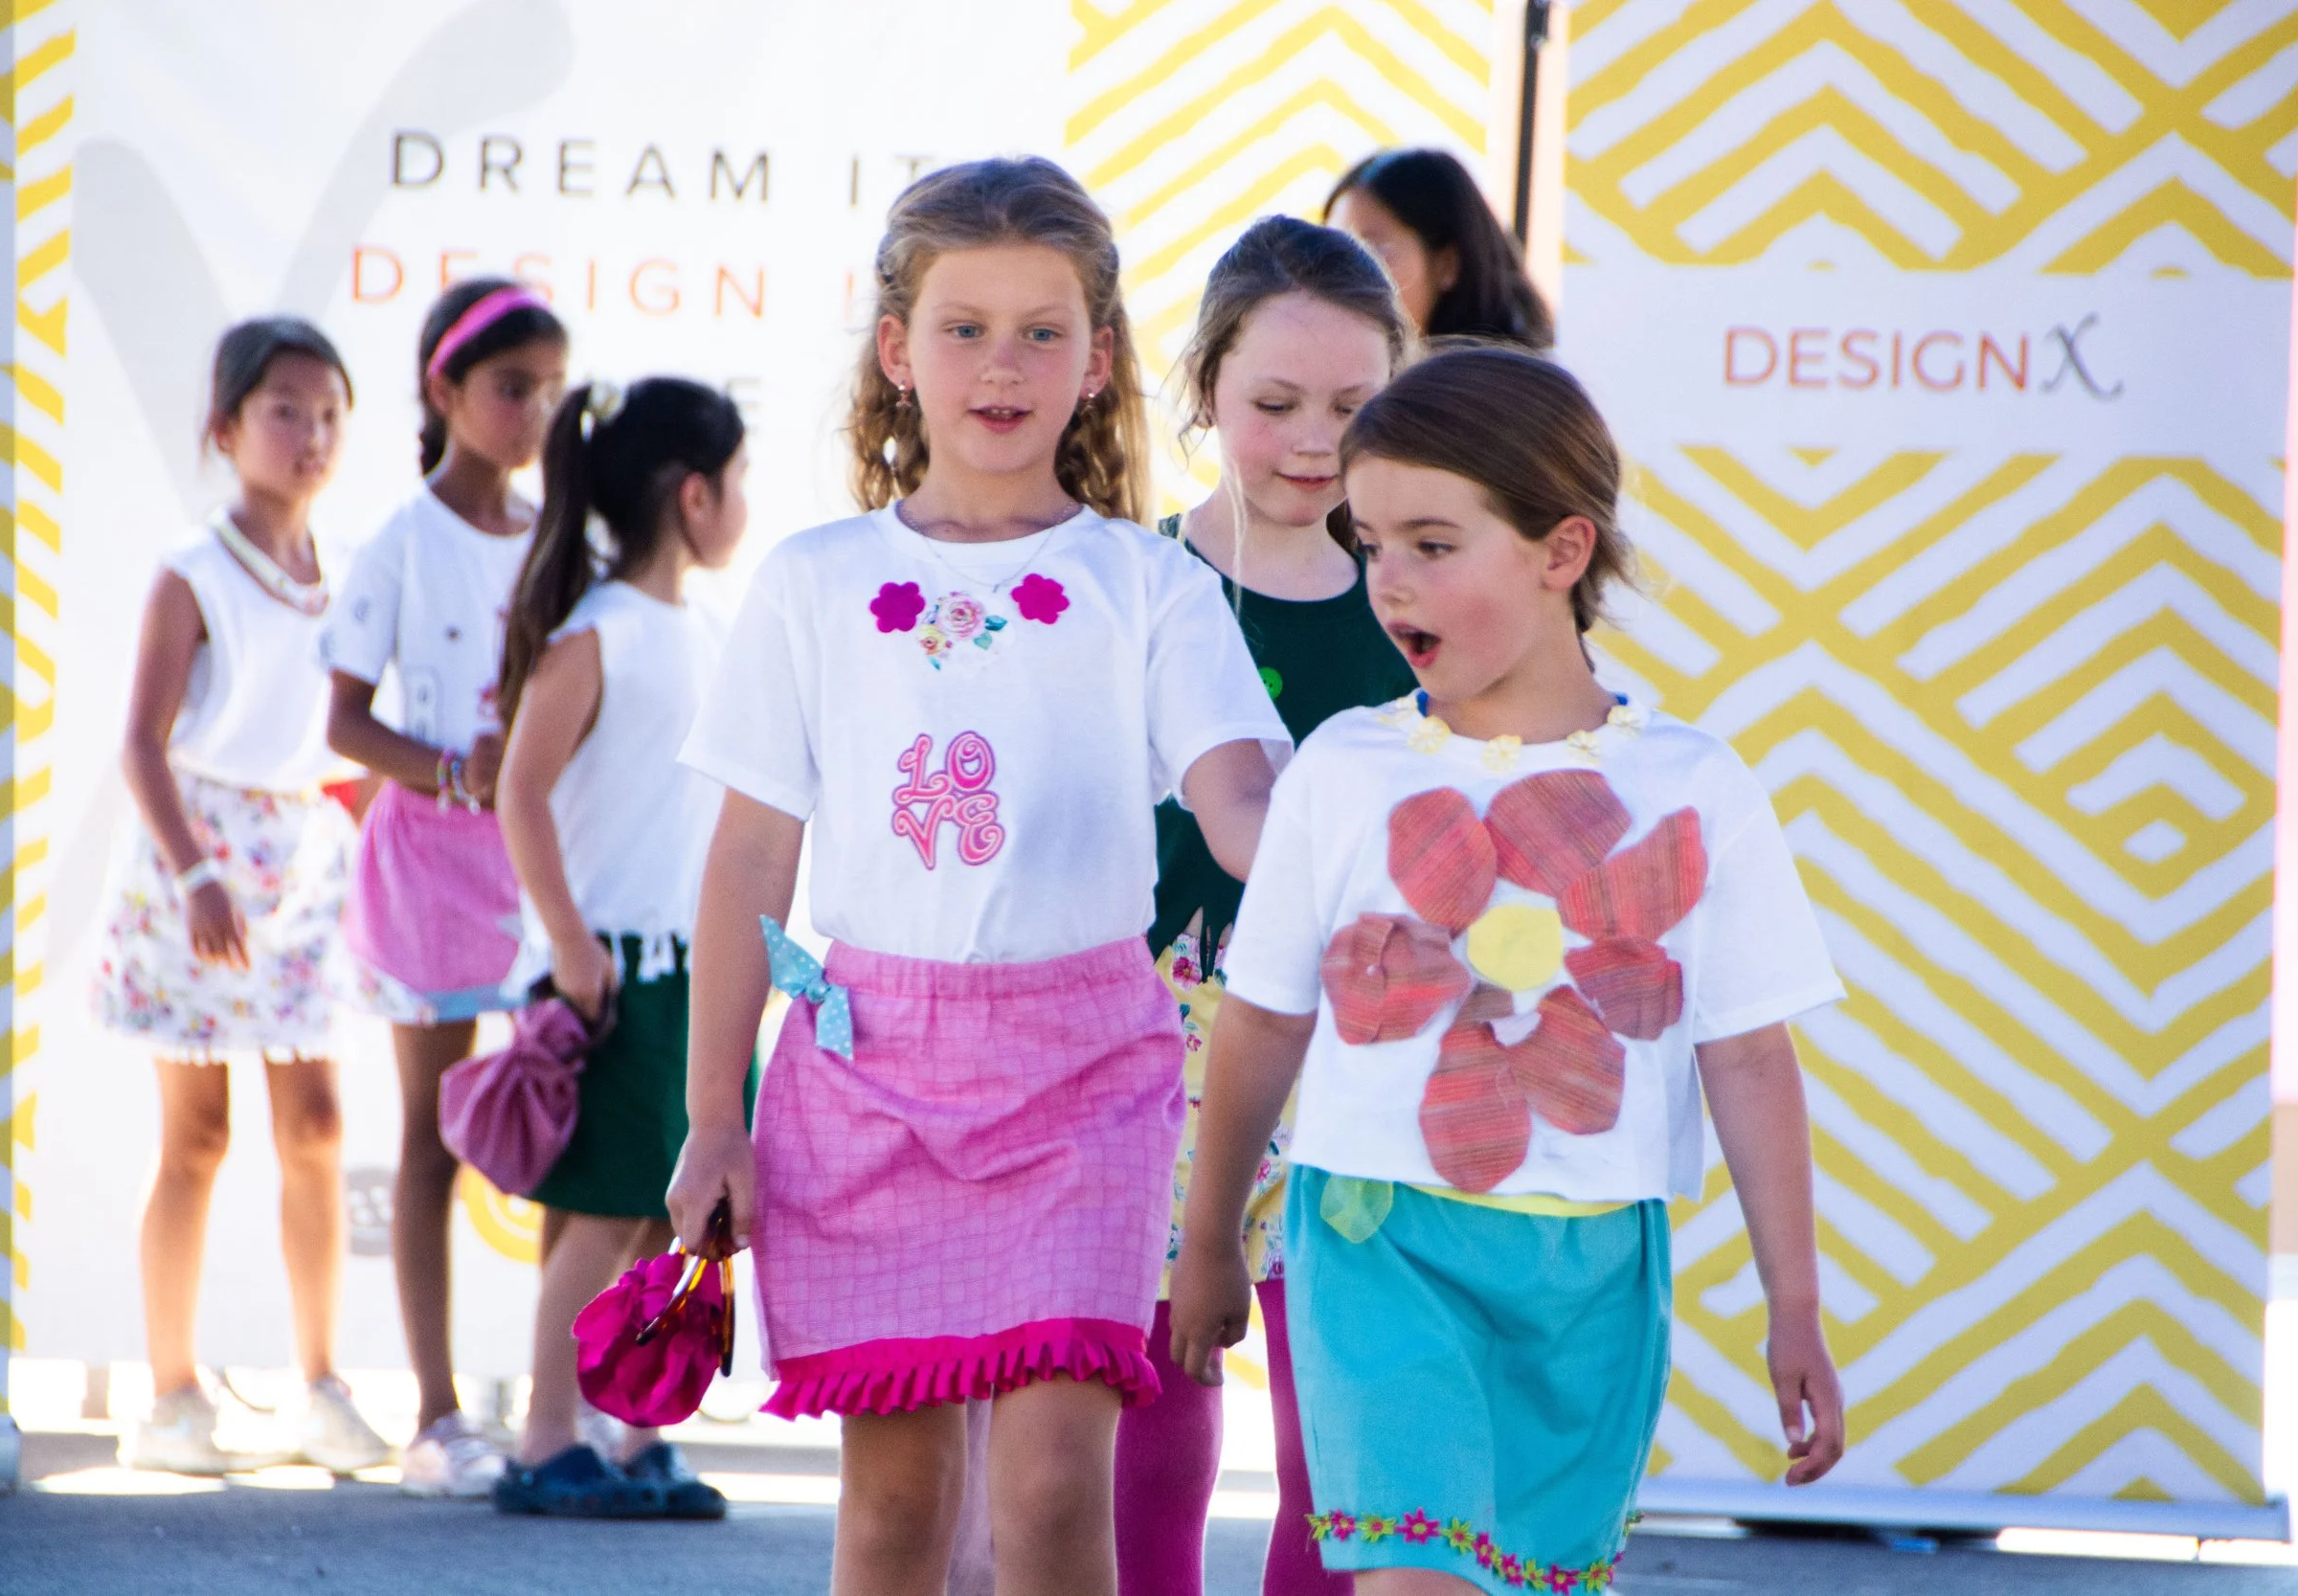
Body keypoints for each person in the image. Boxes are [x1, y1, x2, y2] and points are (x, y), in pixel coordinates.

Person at [665, 156, 1289, 1596]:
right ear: (897, 350)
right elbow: (752, 857)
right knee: (891, 1509)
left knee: (1060, 1489)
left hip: (1088, 1070)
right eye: (962, 327)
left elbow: (1240, 798)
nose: (1000, 365)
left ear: (1099, 358)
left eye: (1041, 329)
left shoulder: (1153, 584)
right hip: (861, 1072)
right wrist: (716, 1115)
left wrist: (1367, 841)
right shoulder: (816, 581)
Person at [1171, 347, 1848, 1593]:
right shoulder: (1341, 767)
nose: (1389, 582)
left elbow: (1749, 1052)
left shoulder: (1693, 785)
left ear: (1562, 551)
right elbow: (1263, 1021)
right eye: (1371, 543)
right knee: (1415, 1579)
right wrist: (1209, 1235)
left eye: (1433, 542)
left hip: (1599, 1272)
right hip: (1378, 1241)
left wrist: (1792, 1302)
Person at [1118, 216, 1413, 1596]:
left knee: (1334, 1442)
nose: (1311, 440)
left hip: (1361, 1059)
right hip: (1143, 1049)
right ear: (1206, 395)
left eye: (1352, 409)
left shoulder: (1426, 608)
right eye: (1274, 404)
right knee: (1154, 1406)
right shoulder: (1127, 584)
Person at [96, 317, 389, 1476]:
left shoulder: (351, 573)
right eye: (284, 409)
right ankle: (170, 1394)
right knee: (198, 1134)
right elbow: (140, 743)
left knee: (316, 1125)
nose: (310, 434)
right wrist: (197, 874)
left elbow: (349, 730)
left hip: (301, 863)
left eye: (327, 413)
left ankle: (319, 1381)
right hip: (200, 864)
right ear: (225, 429)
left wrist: (360, 830)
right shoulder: (195, 570)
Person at [321, 276, 569, 1495]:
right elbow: (344, 721)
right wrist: (452, 774)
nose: (530, 414)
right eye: (509, 388)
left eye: (547, 391)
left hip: (536, 867)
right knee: (431, 1141)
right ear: (445, 392)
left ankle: (558, 1409)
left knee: (560, 1122)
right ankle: (434, 1411)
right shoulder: (400, 542)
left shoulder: (556, 540)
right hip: (427, 867)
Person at [488, 377, 748, 1518]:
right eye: (736, 481)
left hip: (702, 971)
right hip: (617, 976)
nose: (742, 503)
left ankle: (640, 1432)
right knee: (602, 1215)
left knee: (673, 1217)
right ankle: (547, 1436)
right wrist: (570, 942)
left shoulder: (703, 627)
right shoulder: (595, 632)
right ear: (694, 494)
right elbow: (520, 791)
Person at [1322, 149, 1553, 348]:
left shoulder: (1501, 392)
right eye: (1334, 250)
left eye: (1372, 250)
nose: (1343, 271)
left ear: (1446, 264)